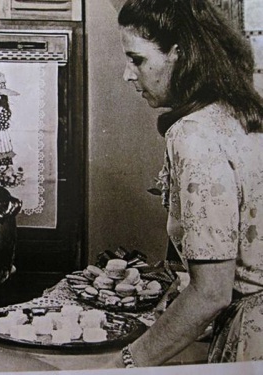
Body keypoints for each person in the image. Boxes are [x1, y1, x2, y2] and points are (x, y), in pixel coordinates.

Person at [108, 0, 263, 367]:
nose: (128, 75)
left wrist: (128, 362)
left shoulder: (194, 134)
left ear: (179, 53)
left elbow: (211, 294)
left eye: (138, 59)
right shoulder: (241, 112)